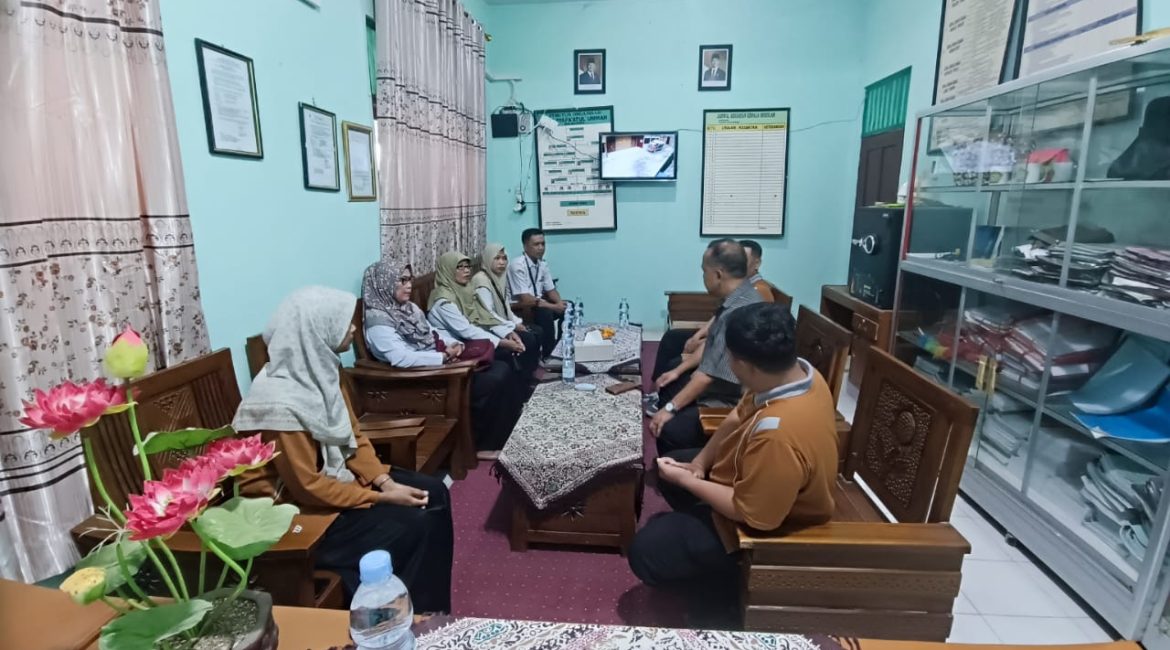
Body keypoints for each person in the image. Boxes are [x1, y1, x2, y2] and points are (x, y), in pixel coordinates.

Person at [233, 286, 454, 612]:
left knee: (435, 492)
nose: (352, 328)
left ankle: (430, 608)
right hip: (293, 513)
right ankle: (406, 613)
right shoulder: (277, 404)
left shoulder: (323, 370)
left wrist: (384, 482)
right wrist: (381, 498)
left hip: (334, 478)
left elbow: (353, 435)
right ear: (316, 331)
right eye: (343, 322)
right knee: (414, 525)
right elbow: (307, 487)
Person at [629, 302, 838, 626]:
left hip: (769, 527)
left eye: (729, 357)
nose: (727, 363)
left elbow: (753, 515)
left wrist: (688, 481)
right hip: (751, 476)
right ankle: (698, 532)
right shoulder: (796, 374)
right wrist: (698, 465)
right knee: (675, 466)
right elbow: (739, 414)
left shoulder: (779, 435)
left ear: (746, 365)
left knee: (647, 550)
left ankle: (726, 591)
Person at [361, 261, 524, 459]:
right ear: (384, 284)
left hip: (435, 365)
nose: (409, 285)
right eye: (402, 280)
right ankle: (481, 445)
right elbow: (401, 358)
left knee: (500, 367)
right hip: (418, 380)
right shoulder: (378, 323)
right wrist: (443, 357)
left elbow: (432, 332)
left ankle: (504, 434)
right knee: (492, 379)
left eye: (409, 279)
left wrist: (452, 344)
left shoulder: (408, 308)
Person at [649, 239, 763, 456]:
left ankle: (688, 464)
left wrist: (669, 409)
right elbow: (712, 349)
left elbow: (707, 377)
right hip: (726, 386)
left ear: (718, 274)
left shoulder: (736, 313)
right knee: (672, 382)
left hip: (732, 400)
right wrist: (678, 371)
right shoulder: (742, 296)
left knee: (669, 429)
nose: (703, 277)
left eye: (704, 271)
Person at [428, 251, 540, 378]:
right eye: (460, 267)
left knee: (524, 340)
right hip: (458, 346)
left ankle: (524, 386)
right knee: (506, 355)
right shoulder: (443, 301)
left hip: (473, 338)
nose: (467, 270)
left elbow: (484, 316)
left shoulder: (466, 289)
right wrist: (501, 342)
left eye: (468, 266)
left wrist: (507, 332)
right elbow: (467, 330)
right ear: (447, 270)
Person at [506, 228, 567, 361]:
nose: (541, 248)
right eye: (536, 244)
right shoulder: (517, 265)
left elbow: (551, 290)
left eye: (543, 244)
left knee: (569, 308)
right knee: (545, 312)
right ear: (525, 246)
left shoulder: (542, 264)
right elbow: (526, 299)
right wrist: (554, 307)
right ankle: (548, 354)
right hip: (521, 307)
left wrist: (559, 303)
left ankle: (561, 348)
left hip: (537, 303)